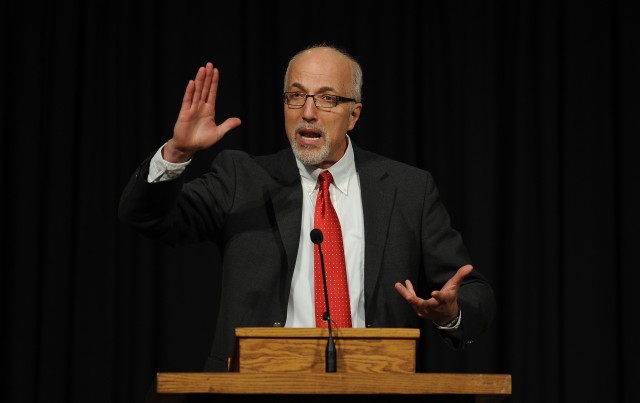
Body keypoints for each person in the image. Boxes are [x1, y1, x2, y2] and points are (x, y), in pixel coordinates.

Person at [118, 43, 496, 372]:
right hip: (259, 384)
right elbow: (147, 216)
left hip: (376, 383)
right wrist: (178, 153)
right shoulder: (242, 178)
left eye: (327, 98)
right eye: (296, 96)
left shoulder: (408, 189)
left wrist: (451, 313)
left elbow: (473, 291)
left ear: (355, 114)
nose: (308, 112)